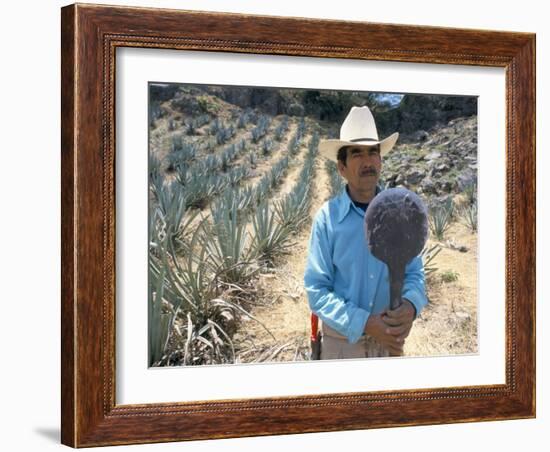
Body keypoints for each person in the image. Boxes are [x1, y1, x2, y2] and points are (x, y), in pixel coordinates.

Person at [304, 106, 427, 359]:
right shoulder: (327, 220)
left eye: (373, 152)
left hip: (390, 345)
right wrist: (366, 323)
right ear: (341, 168)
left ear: (381, 161)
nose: (368, 161)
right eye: (357, 153)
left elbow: (414, 273)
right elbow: (317, 291)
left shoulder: (401, 214)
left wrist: (411, 306)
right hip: (342, 346)